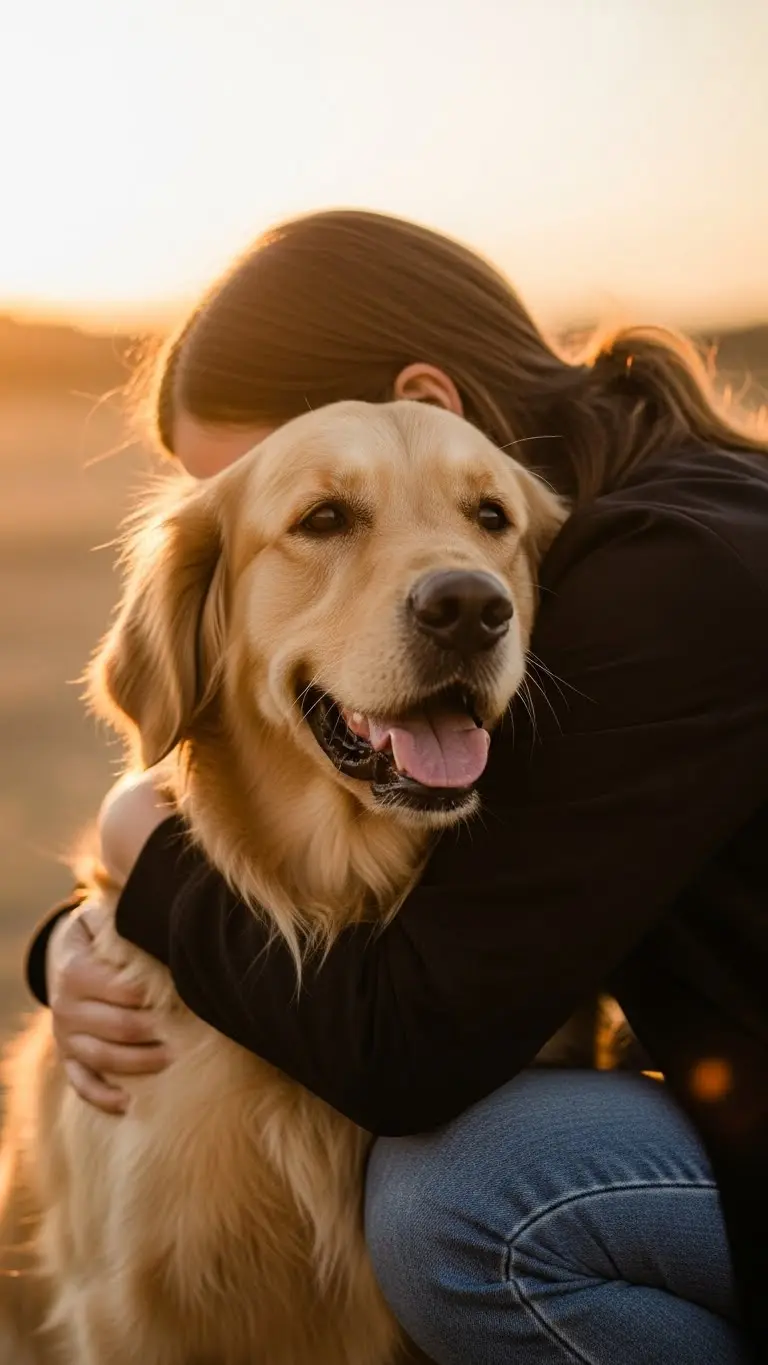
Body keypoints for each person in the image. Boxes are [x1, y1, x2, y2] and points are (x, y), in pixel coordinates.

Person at [25, 210, 768, 1365]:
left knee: (474, 1198)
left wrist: (139, 843)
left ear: (431, 404)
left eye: (289, 490)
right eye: (320, 519)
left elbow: (408, 1046)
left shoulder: (657, 585)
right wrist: (90, 918)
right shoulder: (626, 531)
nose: (450, 583)